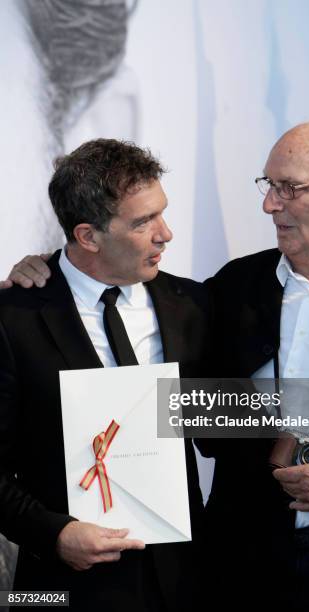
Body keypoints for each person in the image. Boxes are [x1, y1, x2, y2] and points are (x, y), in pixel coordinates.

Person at [6, 119, 309, 610]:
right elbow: (205, 417)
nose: (268, 204)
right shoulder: (228, 291)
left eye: (289, 187)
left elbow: (200, 409)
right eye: (269, 185)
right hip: (228, 572)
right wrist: (46, 273)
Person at [0, 139, 211, 611]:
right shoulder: (13, 318)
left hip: (182, 583)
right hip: (61, 590)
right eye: (143, 222)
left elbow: (214, 423)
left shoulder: (194, 305)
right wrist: (54, 534)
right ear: (88, 236)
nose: (166, 234)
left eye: (162, 212)